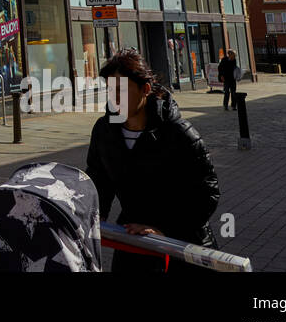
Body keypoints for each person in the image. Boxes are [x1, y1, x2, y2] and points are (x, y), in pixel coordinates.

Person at [85, 49, 220, 272]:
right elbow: (98, 181)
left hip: (182, 244)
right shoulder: (104, 131)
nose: (114, 99)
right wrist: (92, 218)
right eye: (109, 91)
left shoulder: (178, 133)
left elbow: (207, 193)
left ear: (145, 89)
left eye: (121, 91)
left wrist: (164, 230)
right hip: (132, 239)